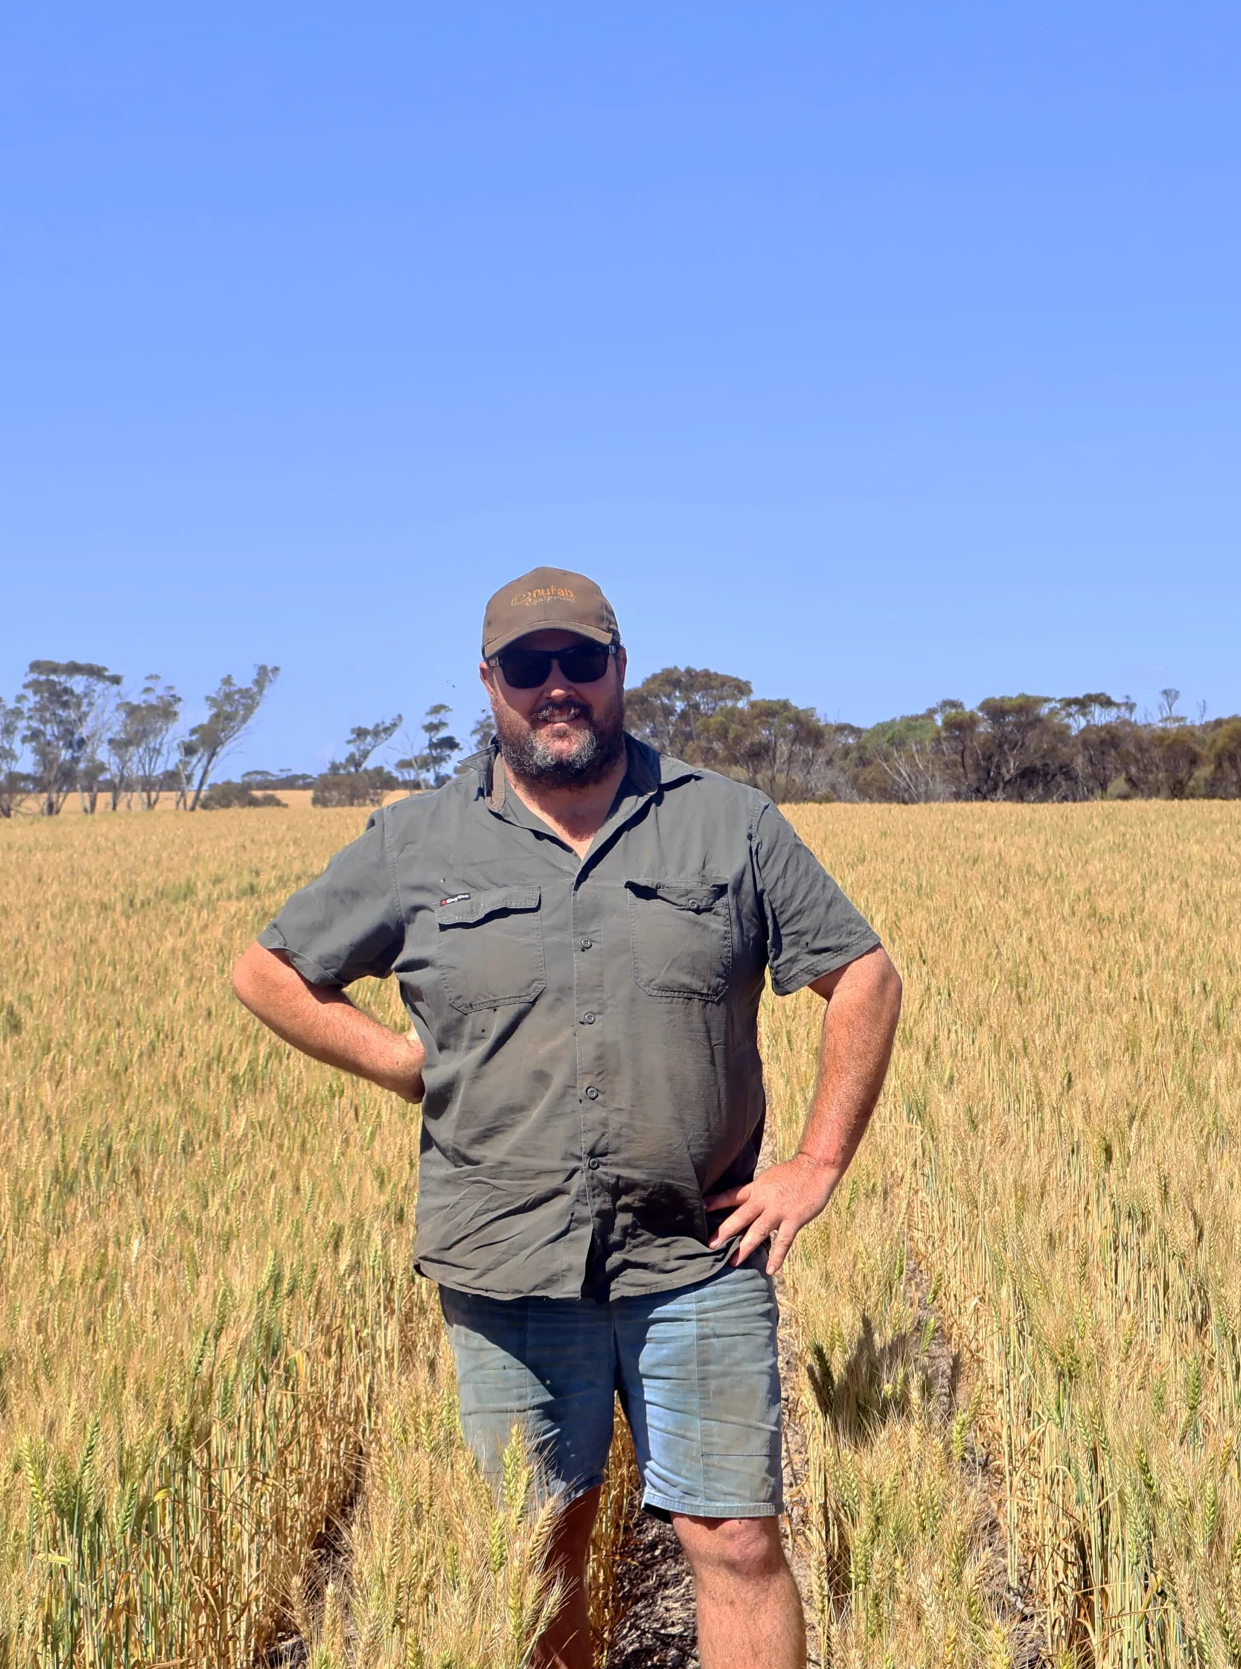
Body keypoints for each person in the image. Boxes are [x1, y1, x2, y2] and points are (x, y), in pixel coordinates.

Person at [230, 566, 902, 1669]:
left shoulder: (725, 823)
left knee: (733, 1540)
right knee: (534, 1552)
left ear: (618, 671)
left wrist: (817, 1162)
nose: (557, 689)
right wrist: (405, 1067)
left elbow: (864, 978)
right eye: (529, 668)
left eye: (579, 663)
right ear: (489, 683)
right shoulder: (418, 842)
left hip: (696, 1252)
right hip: (503, 1259)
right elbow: (268, 973)